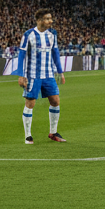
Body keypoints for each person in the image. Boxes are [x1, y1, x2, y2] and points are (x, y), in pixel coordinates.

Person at [16, 9, 65, 144]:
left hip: (48, 74)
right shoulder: (28, 35)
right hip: (32, 75)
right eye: (48, 18)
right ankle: (28, 135)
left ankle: (53, 132)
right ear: (40, 20)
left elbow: (55, 52)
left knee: (55, 101)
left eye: (51, 18)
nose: (51, 21)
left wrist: (60, 72)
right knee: (30, 103)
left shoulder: (52, 34)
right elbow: (21, 55)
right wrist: (20, 75)